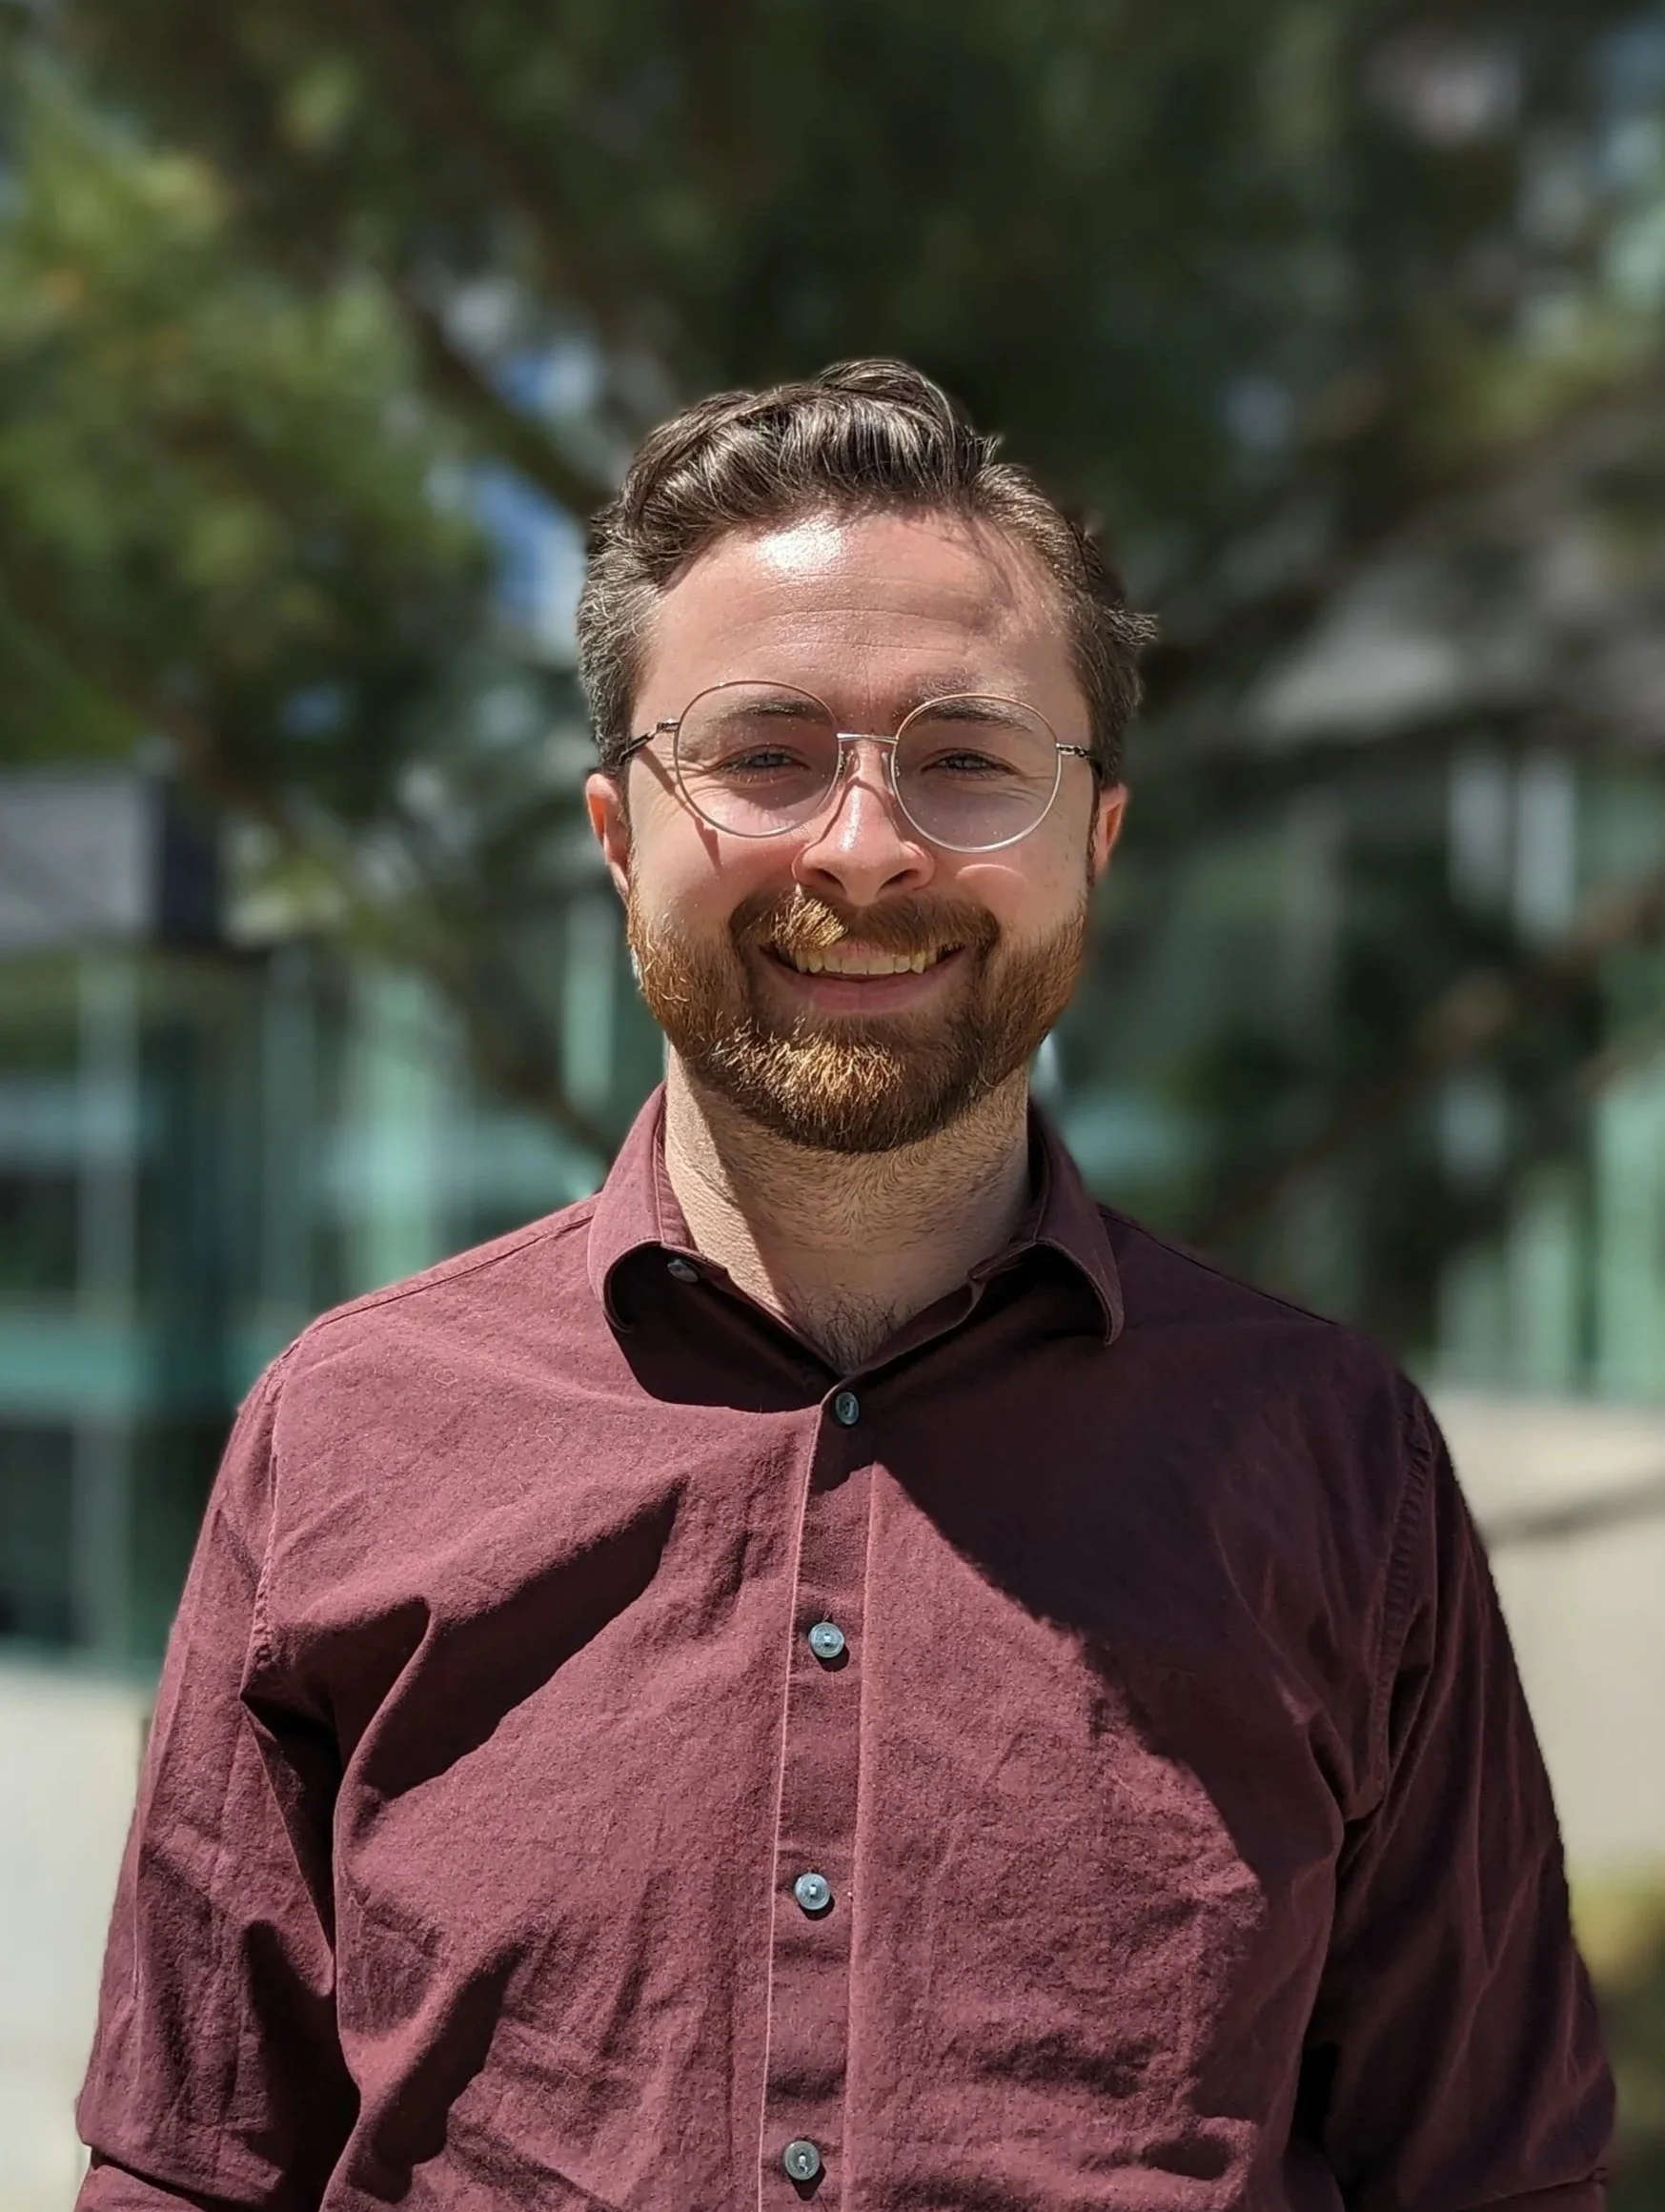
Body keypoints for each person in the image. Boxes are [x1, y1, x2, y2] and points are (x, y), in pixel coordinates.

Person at [77, 360, 1613, 2209]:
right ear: (615, 832)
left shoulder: (1329, 1458)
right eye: (764, 752)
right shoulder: (345, 1431)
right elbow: (191, 2166)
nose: (865, 847)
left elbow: (1493, 2172)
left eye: (967, 758)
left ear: (1094, 843)